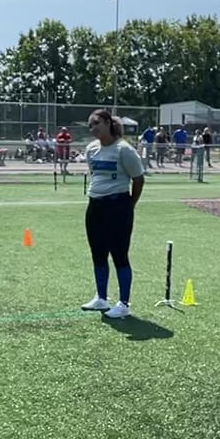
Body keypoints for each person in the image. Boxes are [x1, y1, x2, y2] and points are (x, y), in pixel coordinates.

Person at [79, 108, 144, 319]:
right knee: (98, 254)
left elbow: (138, 179)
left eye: (96, 123)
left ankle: (123, 304)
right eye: (90, 125)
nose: (93, 128)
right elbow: (96, 175)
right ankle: (101, 298)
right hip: (95, 207)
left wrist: (129, 204)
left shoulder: (124, 149)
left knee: (119, 255)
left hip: (118, 207)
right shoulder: (91, 149)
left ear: (108, 123)